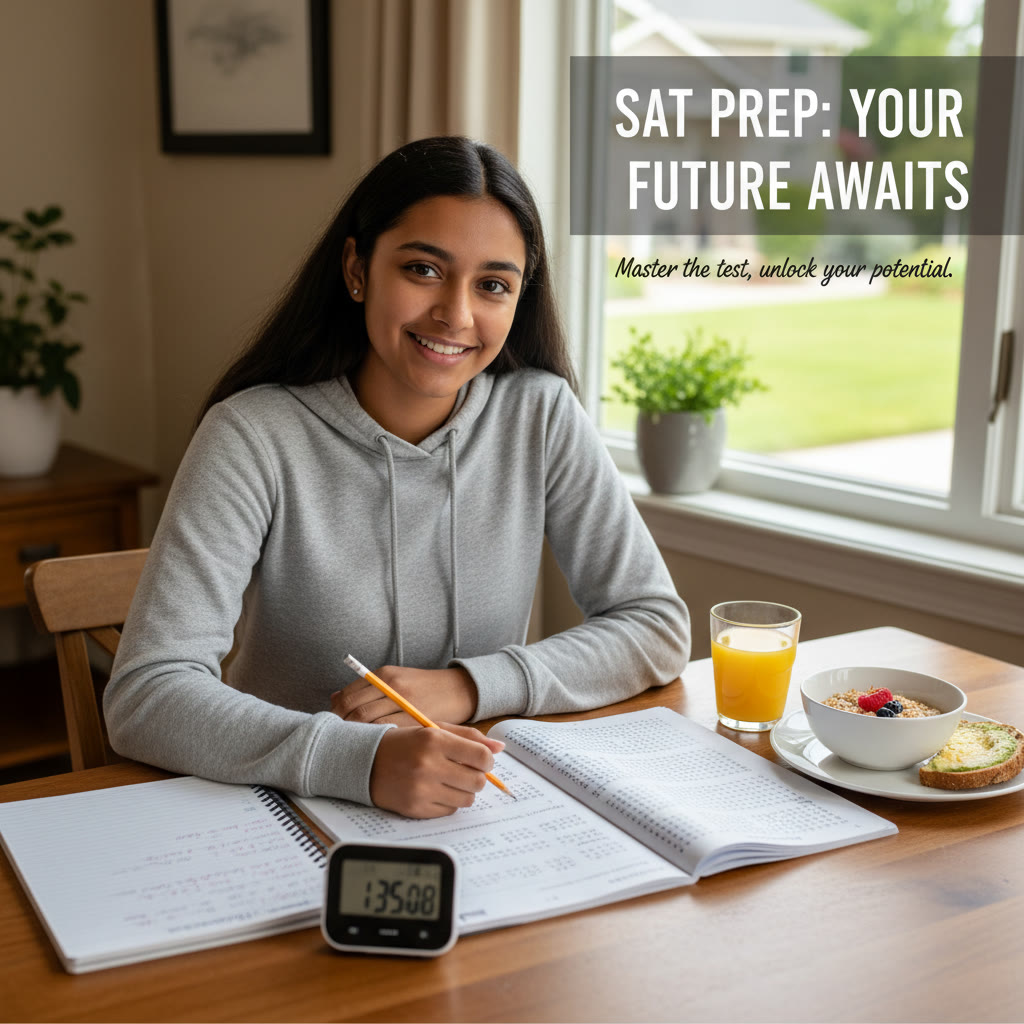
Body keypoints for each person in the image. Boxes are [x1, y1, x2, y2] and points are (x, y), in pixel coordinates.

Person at [105, 136, 690, 819]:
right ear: (357, 269)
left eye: (493, 285)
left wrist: (467, 688)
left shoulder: (540, 413)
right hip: (278, 809)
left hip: (476, 802)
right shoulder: (253, 434)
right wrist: (362, 761)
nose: (456, 314)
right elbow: (147, 693)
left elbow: (654, 625)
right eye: (423, 269)